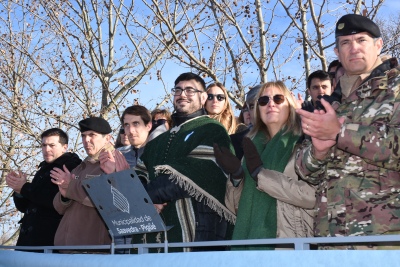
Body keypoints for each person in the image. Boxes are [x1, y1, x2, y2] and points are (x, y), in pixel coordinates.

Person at [295, 14, 400, 248]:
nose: (353, 48)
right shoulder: (329, 102)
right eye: (345, 42)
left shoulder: (396, 88)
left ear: (378, 44)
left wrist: (341, 133)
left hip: (386, 239)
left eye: (361, 40)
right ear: (337, 52)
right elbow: (302, 170)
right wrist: (318, 152)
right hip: (331, 240)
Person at [133, 72, 235, 252]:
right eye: (178, 90)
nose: (182, 94)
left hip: (196, 231)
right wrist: (143, 200)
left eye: (190, 90)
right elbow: (139, 174)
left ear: (203, 97)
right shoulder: (157, 141)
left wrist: (145, 198)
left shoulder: (212, 129)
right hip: (151, 236)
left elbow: (197, 171)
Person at [215, 81, 315, 250]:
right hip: (246, 244)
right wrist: (237, 177)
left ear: (289, 104)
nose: (270, 104)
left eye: (278, 99)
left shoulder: (305, 141)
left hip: (286, 245)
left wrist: (261, 175)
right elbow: (235, 208)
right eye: (263, 101)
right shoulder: (251, 146)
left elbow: (312, 197)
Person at [50, 117, 129, 251]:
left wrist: (71, 187)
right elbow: (58, 208)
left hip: (93, 252)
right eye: (83, 136)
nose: (86, 140)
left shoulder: (115, 163)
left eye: (92, 135)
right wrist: (64, 196)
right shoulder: (81, 166)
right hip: (67, 250)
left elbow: (106, 201)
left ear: (107, 138)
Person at [5, 128, 81, 250]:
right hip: (29, 242)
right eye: (44, 145)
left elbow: (54, 201)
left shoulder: (70, 167)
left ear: (64, 147)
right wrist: (19, 190)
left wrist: (24, 187)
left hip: (50, 241)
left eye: (52, 145)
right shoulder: (43, 169)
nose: (46, 150)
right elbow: (25, 207)